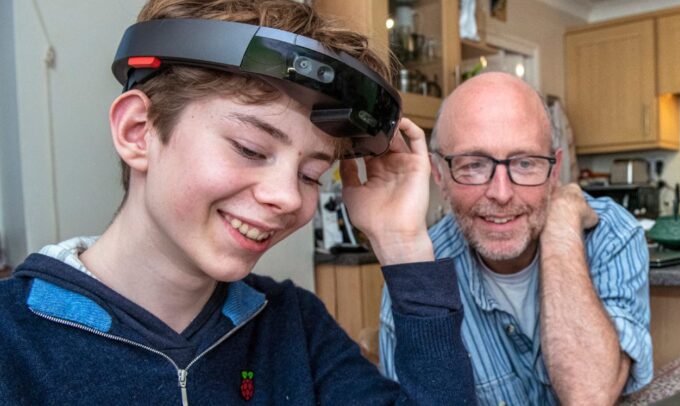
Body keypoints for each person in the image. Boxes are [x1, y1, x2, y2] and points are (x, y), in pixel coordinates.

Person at [0, 0, 475, 404]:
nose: (288, 196)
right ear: (137, 132)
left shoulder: (294, 327)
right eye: (250, 149)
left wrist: (403, 246)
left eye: (311, 174)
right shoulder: (14, 339)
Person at [378, 72, 654, 404]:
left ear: (555, 173)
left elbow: (589, 396)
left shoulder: (610, 235)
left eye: (525, 163)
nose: (501, 193)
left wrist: (561, 226)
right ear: (439, 174)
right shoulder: (417, 275)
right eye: (474, 165)